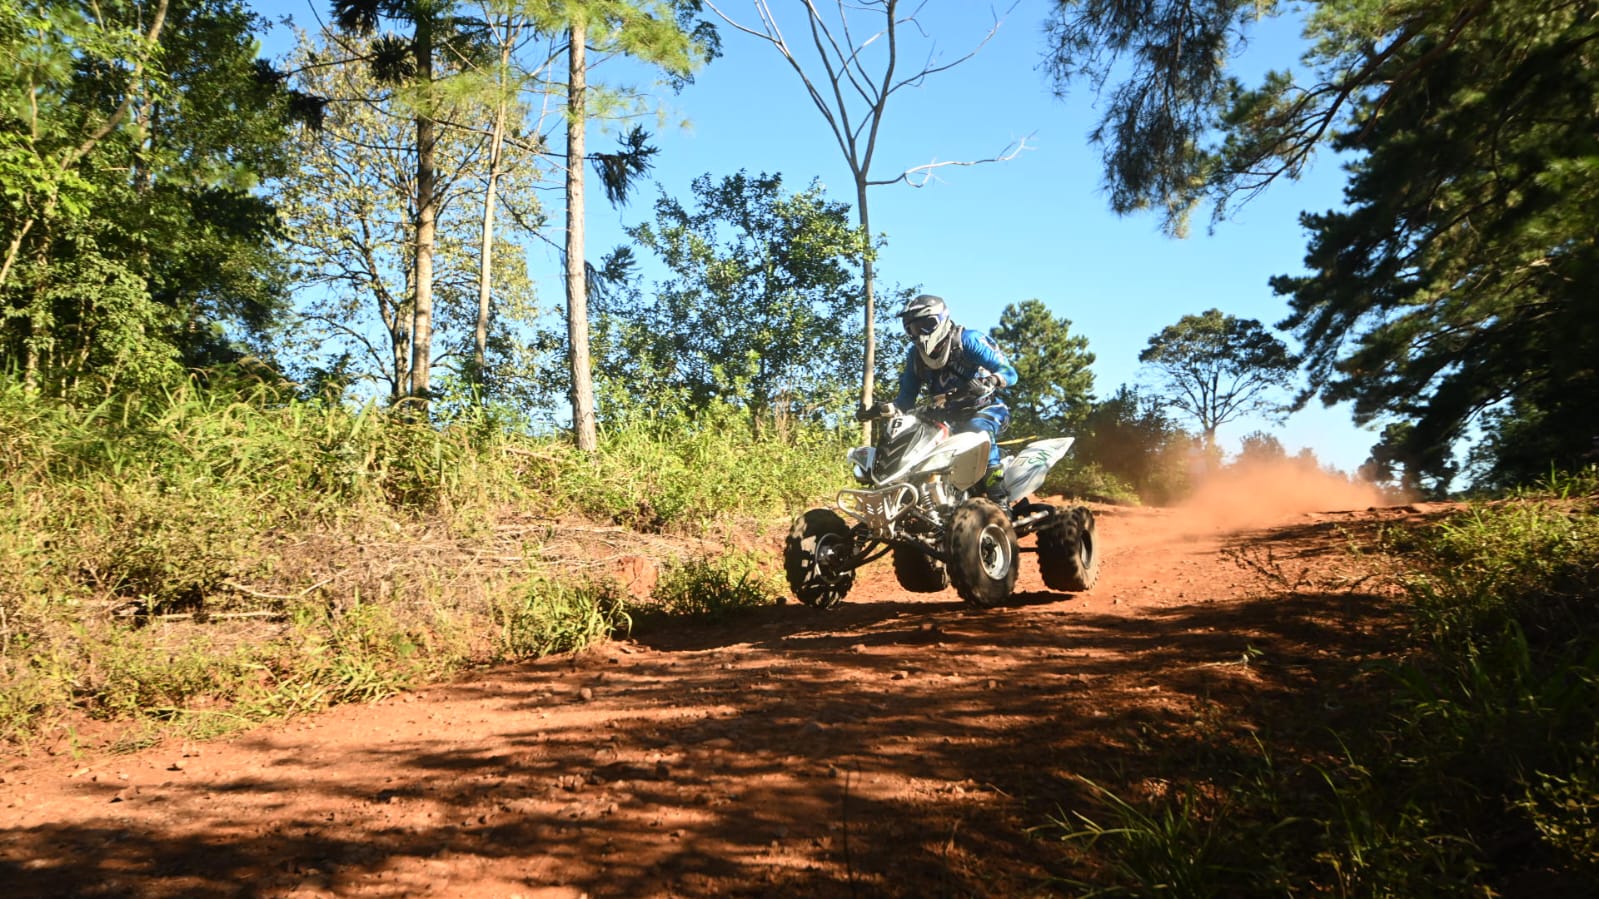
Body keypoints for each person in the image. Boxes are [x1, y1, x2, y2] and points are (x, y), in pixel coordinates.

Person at [858, 293, 1019, 506]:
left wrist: (991, 380)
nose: (920, 333)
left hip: (986, 408)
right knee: (912, 440)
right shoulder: (915, 356)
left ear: (941, 319)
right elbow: (905, 400)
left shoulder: (968, 340)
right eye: (913, 328)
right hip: (946, 418)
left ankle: (1000, 501)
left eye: (926, 324)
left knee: (978, 429)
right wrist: (877, 410)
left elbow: (1009, 371)